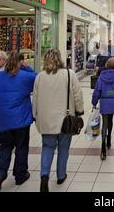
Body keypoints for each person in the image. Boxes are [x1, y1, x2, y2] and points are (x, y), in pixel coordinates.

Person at [33, 49, 84, 192]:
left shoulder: (40, 77)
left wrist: (35, 115)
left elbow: (35, 98)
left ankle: (44, 176)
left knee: (47, 147)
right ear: (60, 59)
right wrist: (80, 111)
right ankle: (61, 175)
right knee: (63, 148)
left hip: (46, 121)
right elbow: (77, 95)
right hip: (65, 120)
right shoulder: (69, 74)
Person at [0, 51, 36, 191]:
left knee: (4, 148)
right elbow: (38, 79)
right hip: (21, 120)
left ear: (6, 62)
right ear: (20, 62)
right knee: (21, 147)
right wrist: (26, 67)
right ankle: (20, 175)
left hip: (2, 121)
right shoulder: (26, 77)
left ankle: (0, 176)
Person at [92, 58, 114, 160]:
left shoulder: (101, 76)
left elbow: (97, 90)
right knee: (111, 120)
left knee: (105, 123)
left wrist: (94, 102)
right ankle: (109, 138)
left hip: (104, 101)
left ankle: (103, 145)